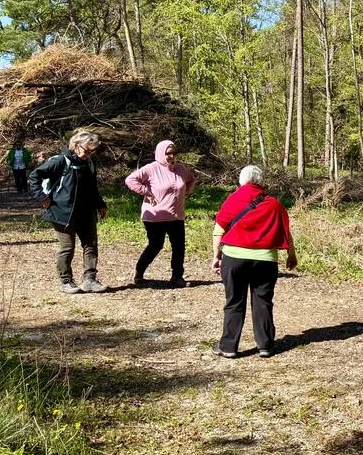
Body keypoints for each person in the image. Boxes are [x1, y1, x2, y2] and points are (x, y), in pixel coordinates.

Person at [210, 165, 296, 359]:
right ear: (260, 181)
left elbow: (219, 230)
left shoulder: (233, 199)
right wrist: (291, 254)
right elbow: (286, 230)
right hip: (265, 260)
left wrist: (216, 256)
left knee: (234, 302)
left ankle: (229, 347)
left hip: (234, 258)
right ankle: (265, 345)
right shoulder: (273, 203)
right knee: (263, 301)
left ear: (242, 180)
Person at [28, 131, 108, 294]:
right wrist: (42, 197)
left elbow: (93, 186)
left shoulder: (89, 163)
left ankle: (90, 280)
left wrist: (101, 204)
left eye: (92, 151)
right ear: (76, 146)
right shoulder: (59, 161)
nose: (89, 154)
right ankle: (66, 281)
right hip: (61, 213)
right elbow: (34, 176)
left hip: (86, 212)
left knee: (90, 246)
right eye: (87, 150)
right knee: (67, 248)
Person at [126, 140, 196, 286]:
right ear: (160, 153)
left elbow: (191, 180)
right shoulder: (151, 168)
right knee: (155, 245)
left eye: (174, 153)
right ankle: (139, 272)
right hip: (155, 215)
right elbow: (130, 180)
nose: (171, 156)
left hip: (176, 215)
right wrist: (147, 192)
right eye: (168, 153)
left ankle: (177, 277)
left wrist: (186, 192)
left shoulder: (181, 169)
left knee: (179, 246)